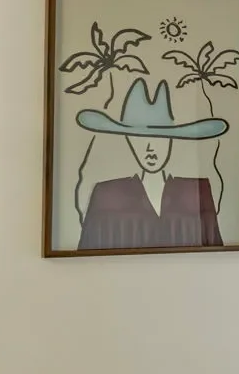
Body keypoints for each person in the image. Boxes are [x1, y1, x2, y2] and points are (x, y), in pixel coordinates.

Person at [74, 78, 227, 250]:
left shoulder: (197, 192)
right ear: (129, 142)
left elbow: (217, 253)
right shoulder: (107, 195)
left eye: (159, 139)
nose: (150, 148)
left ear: (171, 141)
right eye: (140, 139)